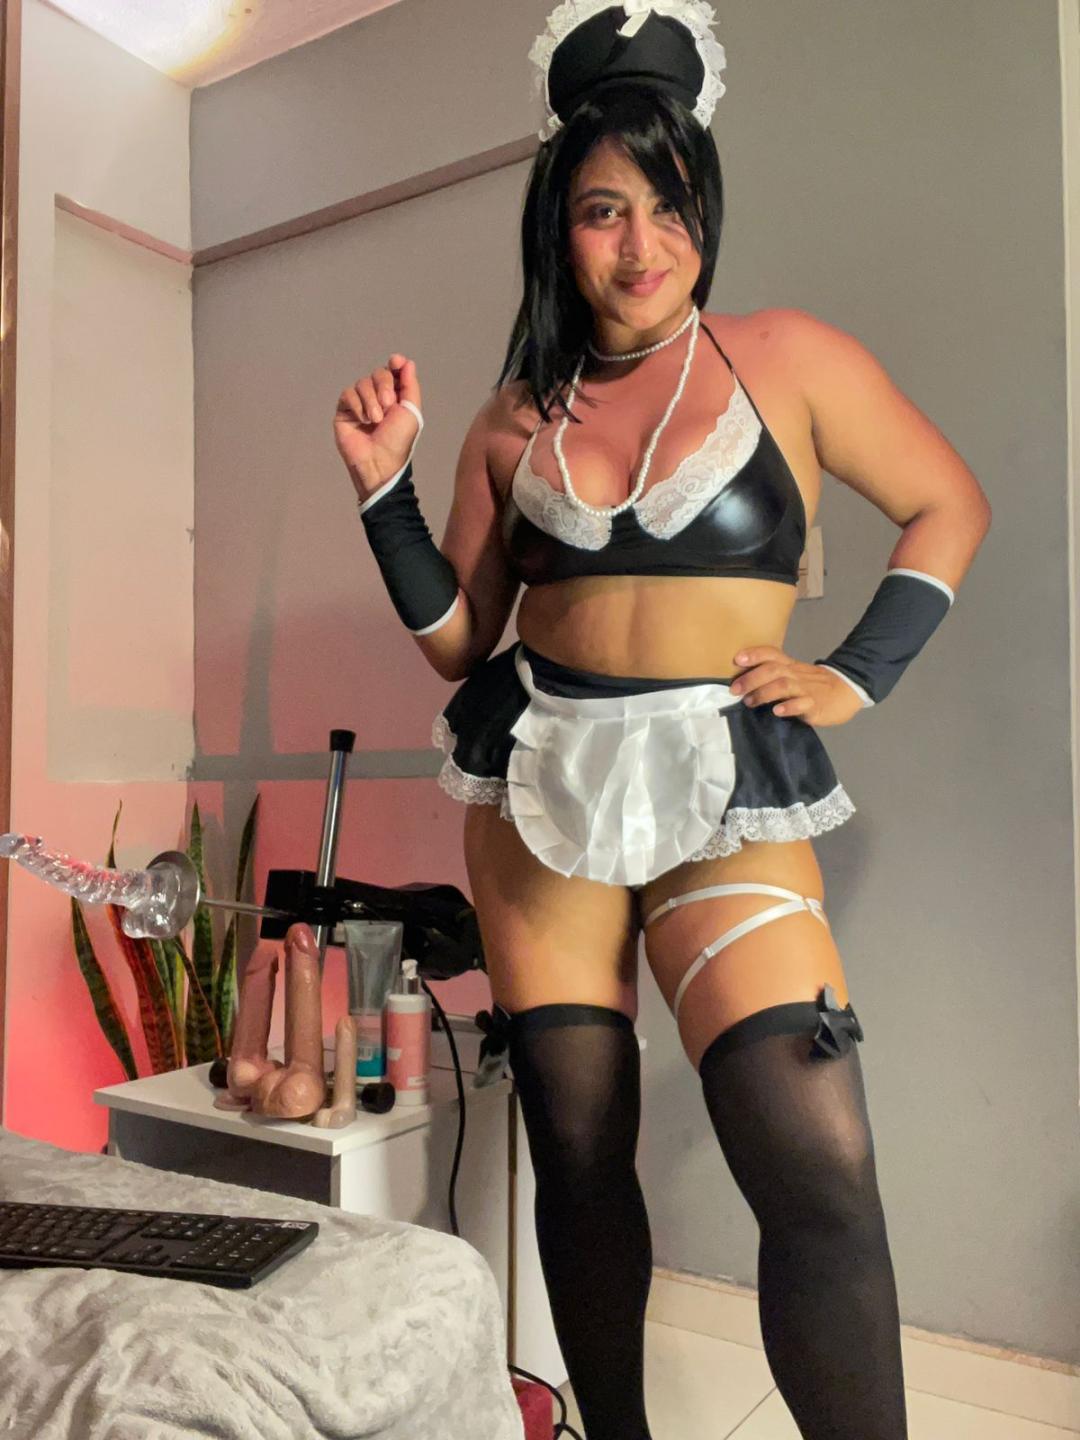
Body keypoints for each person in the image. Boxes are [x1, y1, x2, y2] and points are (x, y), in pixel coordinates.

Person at [332, 5, 992, 1437]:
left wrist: (858, 671)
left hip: (723, 783)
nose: (643, 245)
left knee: (815, 1160)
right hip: (542, 790)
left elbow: (949, 502)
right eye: (603, 211)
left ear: (706, 208)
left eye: (670, 204)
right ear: (558, 230)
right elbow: (461, 643)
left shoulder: (787, 357)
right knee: (578, 1150)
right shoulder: (513, 418)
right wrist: (386, 497)